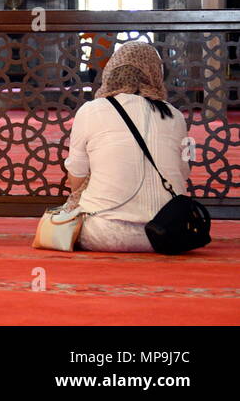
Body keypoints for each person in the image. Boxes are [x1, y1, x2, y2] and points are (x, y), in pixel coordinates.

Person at [63, 41, 189, 252]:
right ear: (156, 74)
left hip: (103, 233)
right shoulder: (175, 115)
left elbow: (75, 178)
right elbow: (183, 174)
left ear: (111, 71)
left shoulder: (91, 110)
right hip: (168, 233)